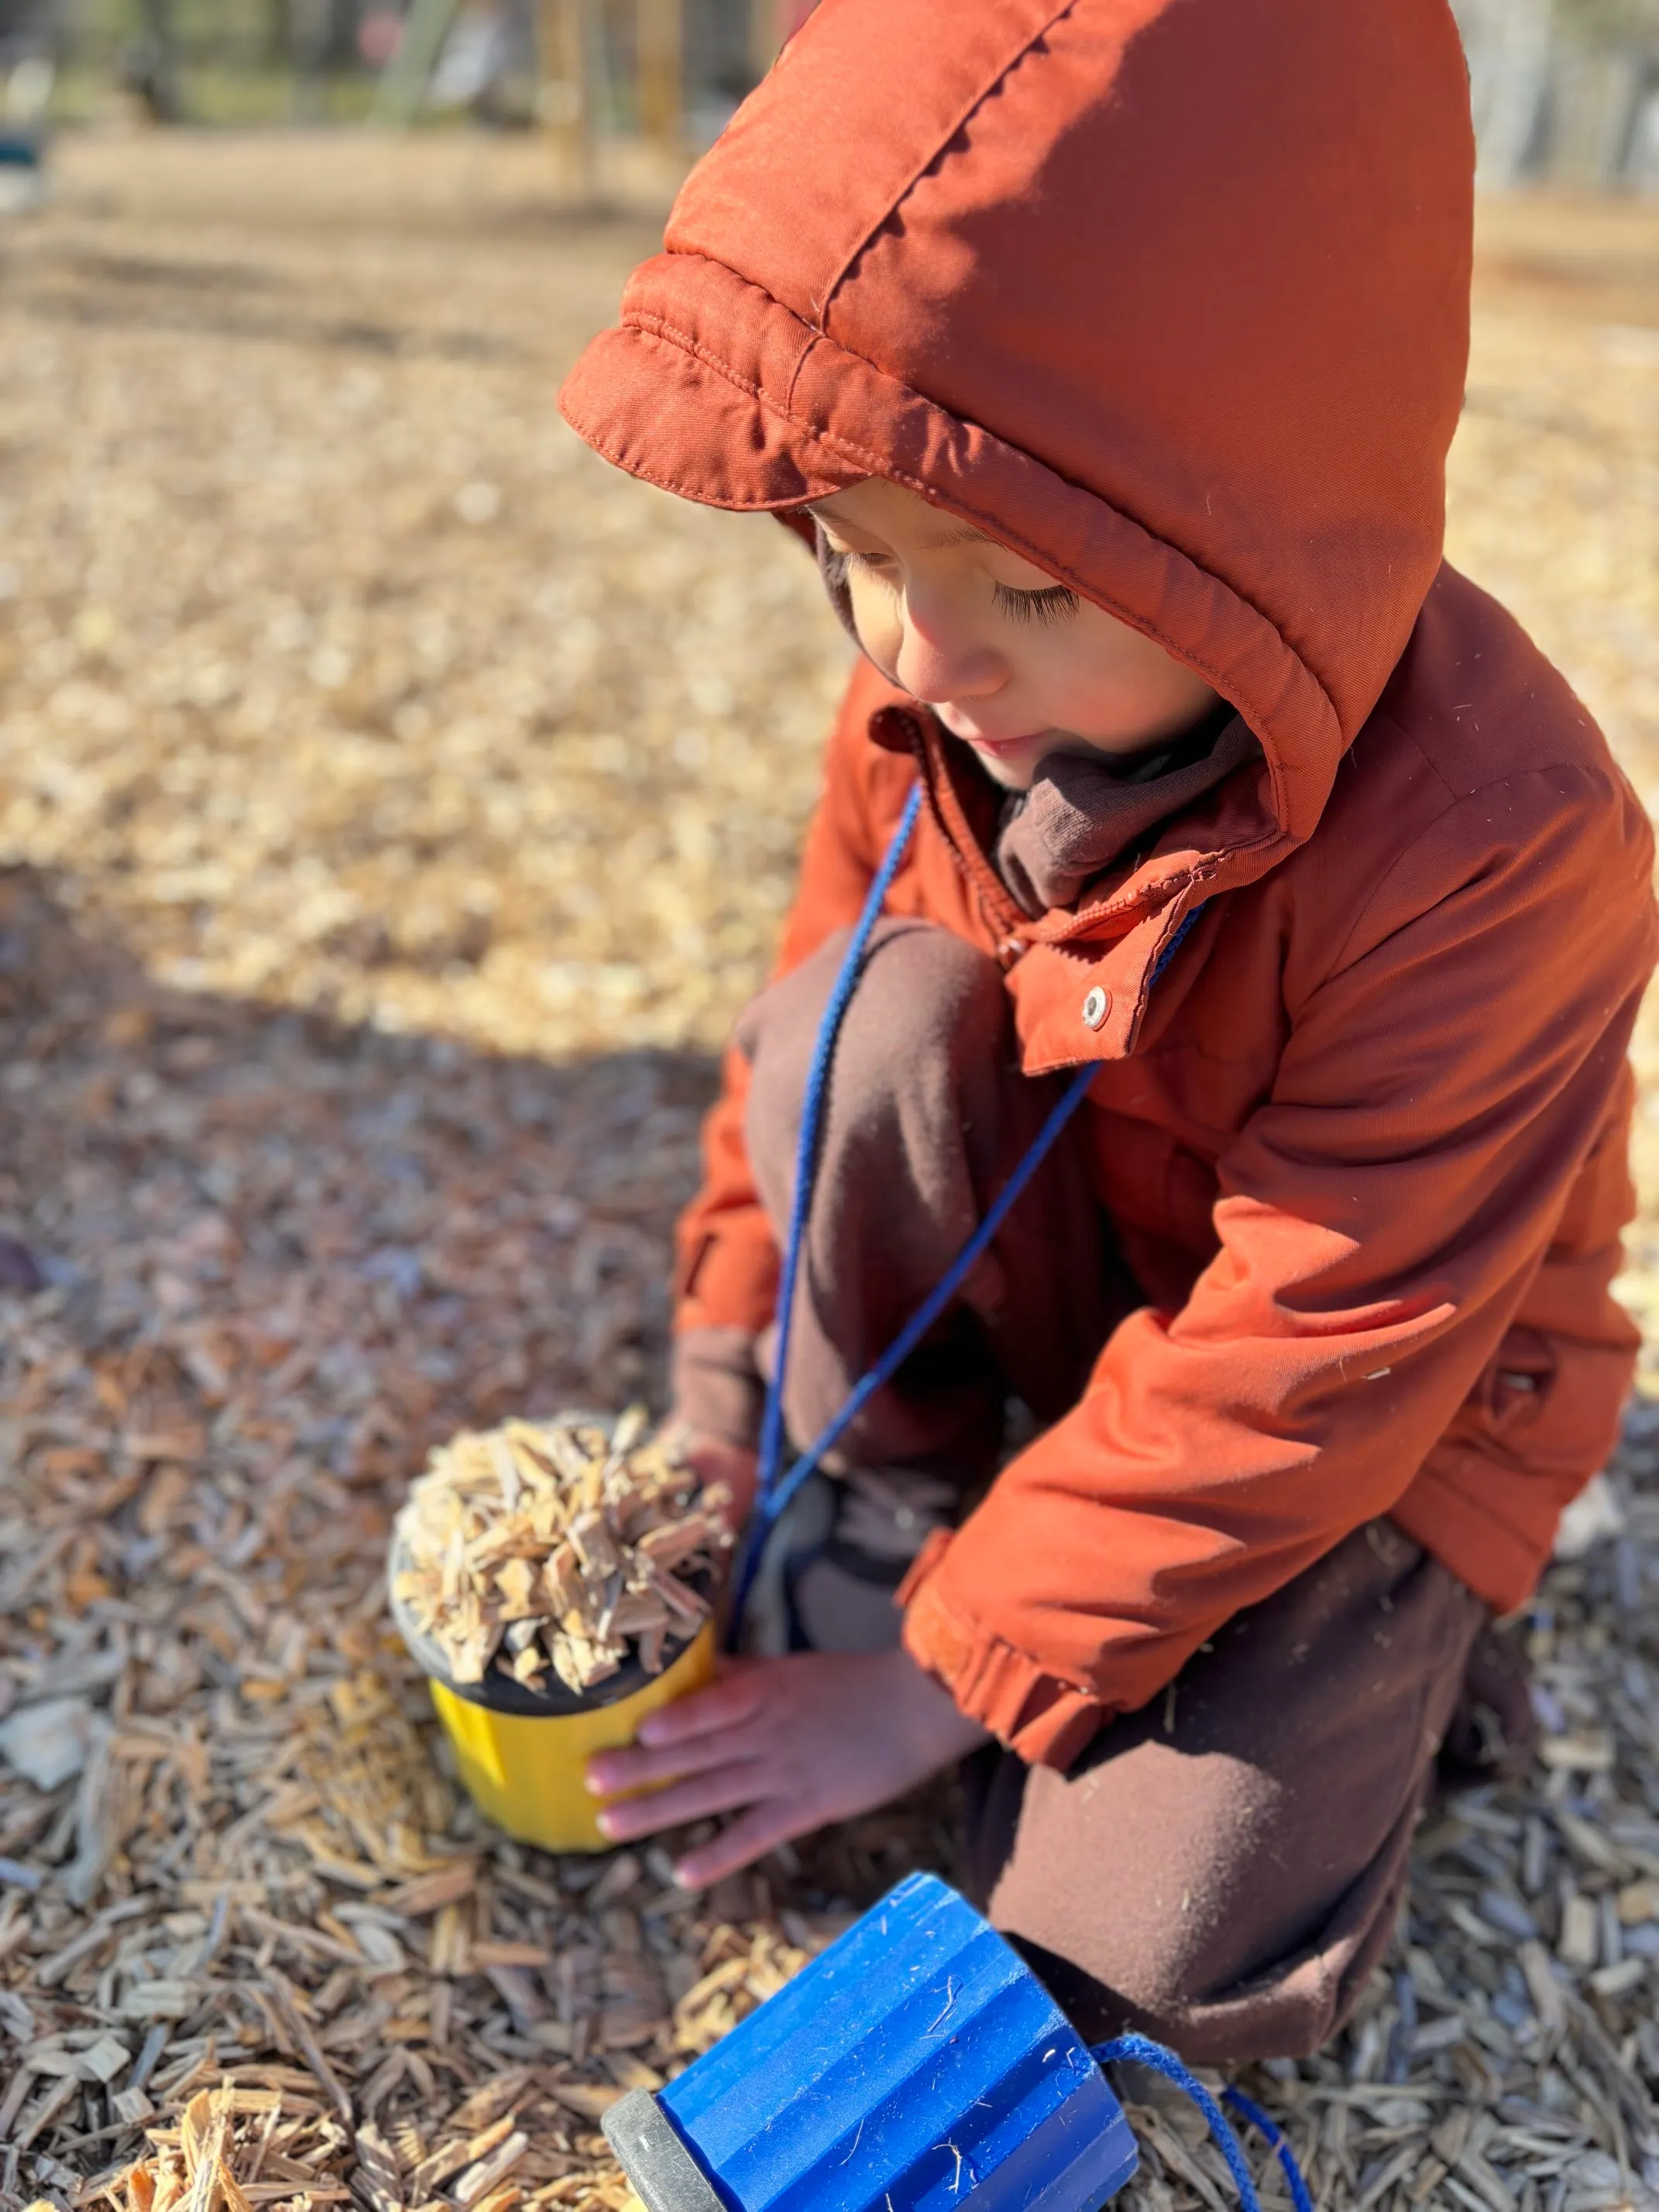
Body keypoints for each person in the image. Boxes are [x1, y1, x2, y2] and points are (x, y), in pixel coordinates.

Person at [558, 0, 1657, 2060]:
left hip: (1377, 1401)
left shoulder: (1498, 846)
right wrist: (723, 1400)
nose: (927, 649)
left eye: (1027, 591)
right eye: (862, 555)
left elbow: (1323, 1354)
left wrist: (933, 1674)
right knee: (856, 1018)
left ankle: (1388, 1664)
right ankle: (889, 1486)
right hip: (1072, 1290)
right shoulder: (929, 687)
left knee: (1125, 1956)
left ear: (1259, 526)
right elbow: (781, 1090)